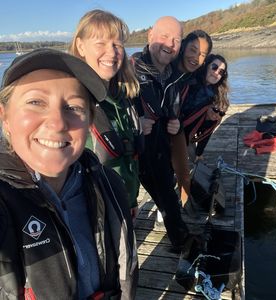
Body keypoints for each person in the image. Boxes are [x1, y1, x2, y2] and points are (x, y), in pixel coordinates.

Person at [0, 49, 138, 300]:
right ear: (5, 117)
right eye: (35, 102)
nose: (58, 122)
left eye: (73, 107)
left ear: (89, 122)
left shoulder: (108, 184)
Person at [69, 9, 142, 222]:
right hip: (91, 213)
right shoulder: (71, 99)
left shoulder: (121, 98)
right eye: (100, 43)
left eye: (117, 45)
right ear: (81, 46)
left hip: (123, 203)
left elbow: (128, 160)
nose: (111, 53)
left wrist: (131, 200)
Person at [131, 16, 189, 252]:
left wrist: (177, 123)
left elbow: (173, 107)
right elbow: (105, 106)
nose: (170, 44)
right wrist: (136, 121)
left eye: (176, 40)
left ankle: (179, 239)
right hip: (136, 149)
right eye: (164, 36)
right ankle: (182, 242)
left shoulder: (176, 73)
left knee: (167, 193)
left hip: (162, 144)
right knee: (164, 196)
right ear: (150, 36)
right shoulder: (130, 69)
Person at [174, 53, 230, 207]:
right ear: (206, 65)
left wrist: (199, 153)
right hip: (171, 133)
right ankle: (167, 205)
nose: (217, 72)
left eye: (221, 72)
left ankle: (181, 198)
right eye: (214, 67)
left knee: (188, 169)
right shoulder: (188, 81)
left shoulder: (215, 97)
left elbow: (207, 131)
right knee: (172, 172)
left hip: (187, 138)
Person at [167, 30, 213, 205]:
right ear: (183, 46)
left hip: (176, 132)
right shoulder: (166, 68)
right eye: (193, 50)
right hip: (151, 132)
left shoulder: (192, 78)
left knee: (182, 174)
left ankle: (178, 205)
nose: (196, 57)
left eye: (202, 54)